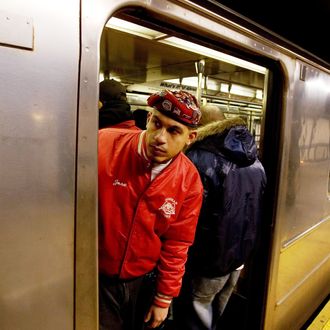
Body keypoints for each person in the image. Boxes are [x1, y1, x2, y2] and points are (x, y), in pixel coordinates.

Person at [98, 89, 204, 330]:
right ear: (148, 119)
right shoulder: (103, 145)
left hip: (143, 282)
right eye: (157, 123)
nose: (160, 138)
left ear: (191, 137)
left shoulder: (189, 181)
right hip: (98, 279)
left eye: (174, 130)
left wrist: (164, 297)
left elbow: (177, 243)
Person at [172, 104, 267, 330]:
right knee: (219, 305)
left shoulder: (198, 158)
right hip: (240, 254)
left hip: (209, 259)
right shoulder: (256, 161)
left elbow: (188, 215)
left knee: (197, 309)